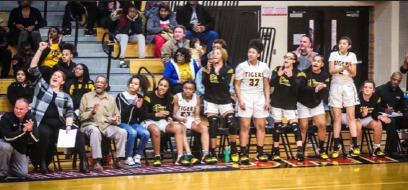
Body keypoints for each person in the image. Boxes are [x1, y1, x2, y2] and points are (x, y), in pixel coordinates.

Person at [29, 42, 89, 174]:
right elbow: (33, 67)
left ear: (62, 82)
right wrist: (39, 50)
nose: (55, 76)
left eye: (59, 76)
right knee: (45, 133)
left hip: (59, 125)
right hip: (42, 123)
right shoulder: (42, 87)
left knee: (77, 131)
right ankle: (43, 162)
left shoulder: (65, 96)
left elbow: (69, 113)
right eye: (54, 75)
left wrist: (68, 126)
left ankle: (84, 162)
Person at [141, 78, 198, 166]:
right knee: (155, 130)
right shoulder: (148, 95)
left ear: (168, 88)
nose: (162, 88)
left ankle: (180, 157)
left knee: (179, 127)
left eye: (165, 86)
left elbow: (169, 114)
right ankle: (157, 157)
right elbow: (142, 114)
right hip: (148, 121)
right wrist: (156, 114)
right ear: (158, 85)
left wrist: (170, 119)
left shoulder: (170, 98)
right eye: (161, 85)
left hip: (162, 121)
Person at [80, 75, 129, 171]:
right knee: (95, 131)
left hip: (106, 126)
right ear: (94, 84)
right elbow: (80, 116)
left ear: (106, 86)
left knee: (122, 131)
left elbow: (118, 118)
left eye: (102, 83)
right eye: (97, 82)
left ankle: (118, 161)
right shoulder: (86, 97)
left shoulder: (110, 99)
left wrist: (114, 120)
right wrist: (92, 112)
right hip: (90, 125)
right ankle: (96, 162)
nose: (99, 84)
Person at [235, 39, 270, 163]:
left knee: (261, 126)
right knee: (245, 126)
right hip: (245, 96)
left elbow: (266, 85)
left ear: (258, 55)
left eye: (253, 52)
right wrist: (240, 100)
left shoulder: (264, 66)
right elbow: (237, 84)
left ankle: (260, 152)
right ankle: (243, 153)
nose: (250, 54)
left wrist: (267, 100)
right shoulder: (242, 66)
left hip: (259, 97)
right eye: (249, 52)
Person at [202, 47, 238, 163]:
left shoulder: (228, 69)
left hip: (224, 101)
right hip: (211, 100)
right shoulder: (206, 68)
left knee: (232, 123)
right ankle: (212, 152)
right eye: (213, 54)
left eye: (217, 53)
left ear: (223, 56)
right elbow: (205, 85)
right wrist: (208, 73)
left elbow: (225, 86)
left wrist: (217, 74)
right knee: (213, 124)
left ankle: (233, 149)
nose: (214, 55)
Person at [328, 36, 360, 159]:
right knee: (337, 118)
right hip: (336, 84)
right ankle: (337, 145)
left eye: (344, 43)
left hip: (348, 85)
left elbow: (354, 73)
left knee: (350, 116)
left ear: (349, 46)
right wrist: (342, 68)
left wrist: (348, 69)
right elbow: (331, 71)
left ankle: (355, 145)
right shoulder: (333, 55)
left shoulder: (352, 56)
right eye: (340, 43)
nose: (341, 45)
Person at [270, 52, 304, 162]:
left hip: (290, 103)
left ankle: (299, 150)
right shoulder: (277, 69)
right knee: (277, 128)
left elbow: (297, 88)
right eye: (285, 57)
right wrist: (279, 76)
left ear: (294, 61)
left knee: (295, 126)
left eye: (289, 58)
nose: (286, 59)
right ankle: (276, 152)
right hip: (277, 102)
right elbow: (272, 83)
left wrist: (291, 78)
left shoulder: (298, 73)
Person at [341, 81, 389, 157]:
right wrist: (363, 114)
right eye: (365, 87)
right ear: (362, 89)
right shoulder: (356, 97)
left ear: (373, 90)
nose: (367, 89)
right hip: (348, 116)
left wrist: (379, 116)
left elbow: (374, 112)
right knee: (358, 124)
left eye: (370, 88)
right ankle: (352, 149)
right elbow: (352, 115)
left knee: (378, 123)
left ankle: (376, 149)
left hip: (363, 117)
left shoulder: (376, 98)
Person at [297, 55, 330, 159]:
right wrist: (314, 89)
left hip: (316, 103)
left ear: (322, 64)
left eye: (318, 61)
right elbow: (301, 87)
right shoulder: (304, 73)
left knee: (322, 125)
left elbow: (326, 89)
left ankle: (321, 149)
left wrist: (321, 89)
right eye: (314, 61)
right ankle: (300, 150)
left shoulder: (325, 75)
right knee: (303, 127)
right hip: (303, 102)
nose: (315, 63)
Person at [173, 81, 212, 164]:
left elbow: (196, 115)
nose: (188, 91)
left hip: (189, 120)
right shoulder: (176, 97)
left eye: (190, 89)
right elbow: (173, 115)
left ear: (194, 90)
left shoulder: (197, 98)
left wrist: (197, 120)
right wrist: (181, 120)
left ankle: (205, 155)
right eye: (186, 88)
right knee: (182, 128)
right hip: (178, 120)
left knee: (204, 128)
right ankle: (189, 155)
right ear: (183, 88)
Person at [116, 75, 151, 167]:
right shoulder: (121, 95)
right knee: (133, 133)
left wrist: (139, 108)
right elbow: (120, 113)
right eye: (131, 83)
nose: (132, 85)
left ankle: (138, 156)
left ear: (140, 87)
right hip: (122, 123)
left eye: (136, 84)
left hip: (134, 123)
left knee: (146, 133)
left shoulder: (139, 97)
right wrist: (132, 105)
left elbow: (141, 116)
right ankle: (128, 157)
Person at [0, 98, 39, 178]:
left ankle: (8, 168)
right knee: (6, 147)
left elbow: (36, 139)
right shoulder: (6, 117)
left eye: (21, 109)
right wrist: (24, 131)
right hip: (5, 143)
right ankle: (2, 172)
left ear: (27, 109)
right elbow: (8, 137)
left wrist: (30, 131)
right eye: (16, 108)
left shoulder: (31, 119)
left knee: (22, 173)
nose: (18, 111)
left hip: (19, 148)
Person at [375, 72, 407, 158]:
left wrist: (400, 110)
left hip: (394, 116)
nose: (396, 82)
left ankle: (406, 144)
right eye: (394, 79)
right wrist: (385, 110)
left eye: (398, 81)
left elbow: (401, 106)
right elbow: (374, 106)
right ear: (390, 78)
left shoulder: (400, 93)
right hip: (380, 117)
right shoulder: (380, 90)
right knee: (391, 121)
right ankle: (391, 150)